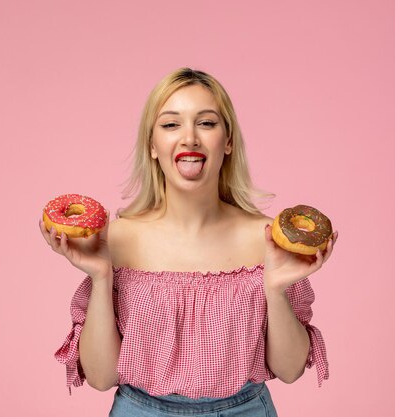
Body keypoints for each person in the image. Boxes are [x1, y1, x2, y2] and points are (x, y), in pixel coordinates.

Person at [39, 67, 338, 416]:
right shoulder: (114, 240)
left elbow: (290, 371)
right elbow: (101, 378)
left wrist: (275, 287)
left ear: (228, 142)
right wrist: (101, 275)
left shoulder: (269, 240)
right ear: (152, 145)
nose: (189, 138)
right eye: (170, 125)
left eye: (207, 123)